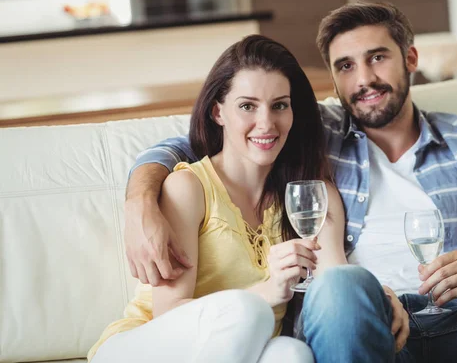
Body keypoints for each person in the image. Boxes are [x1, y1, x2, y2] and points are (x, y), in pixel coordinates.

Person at [122, 1, 457, 363]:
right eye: (346, 66)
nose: (365, 78)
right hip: (361, 319)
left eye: (378, 58)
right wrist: (141, 200)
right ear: (333, 80)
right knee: (342, 285)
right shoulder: (312, 132)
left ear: (410, 57)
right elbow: (204, 143)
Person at [88, 35, 349, 363]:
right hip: (144, 347)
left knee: (292, 353)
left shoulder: (310, 197)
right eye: (247, 106)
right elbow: (168, 311)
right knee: (248, 310)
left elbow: (338, 286)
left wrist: (380, 300)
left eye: (279, 105)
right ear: (217, 112)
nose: (266, 123)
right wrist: (269, 291)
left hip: (244, 352)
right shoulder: (188, 186)